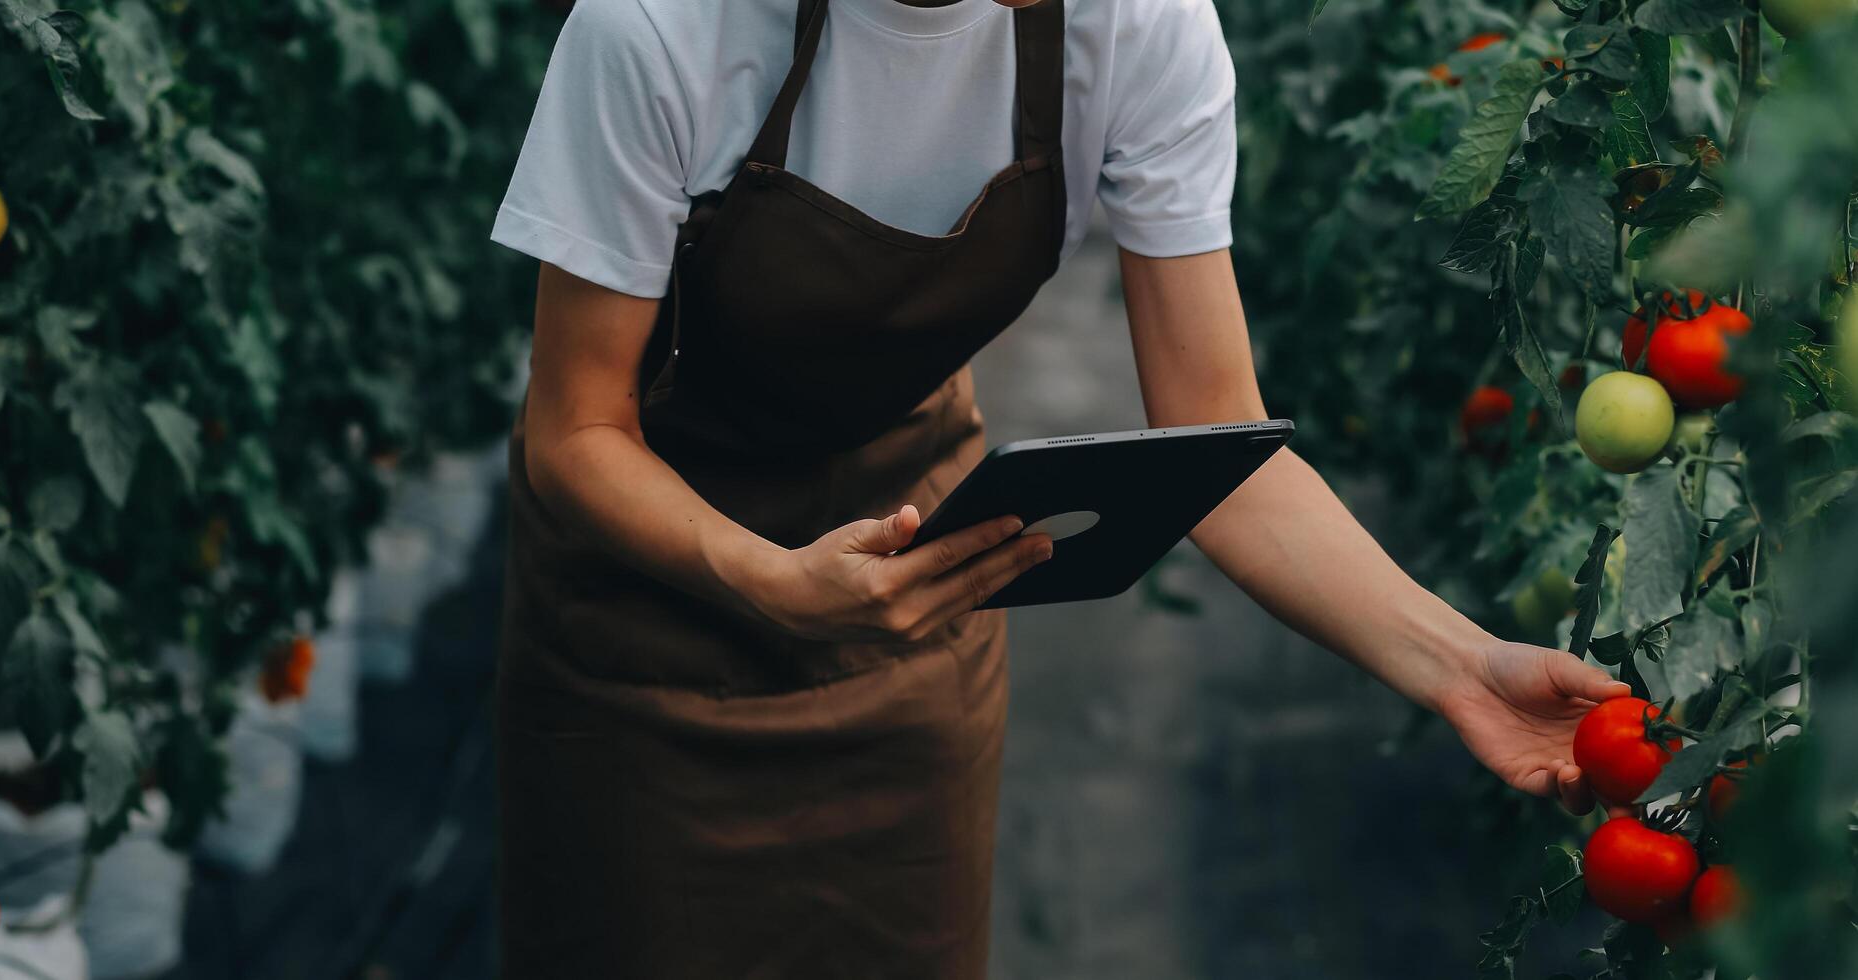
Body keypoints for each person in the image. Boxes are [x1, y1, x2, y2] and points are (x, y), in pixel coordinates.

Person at [488, 0, 1630, 975]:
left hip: (911, 613)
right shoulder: (661, 27)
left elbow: (1218, 450)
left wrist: (1460, 664)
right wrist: (764, 579)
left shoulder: (1134, 27)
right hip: (646, 634)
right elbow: (578, 427)